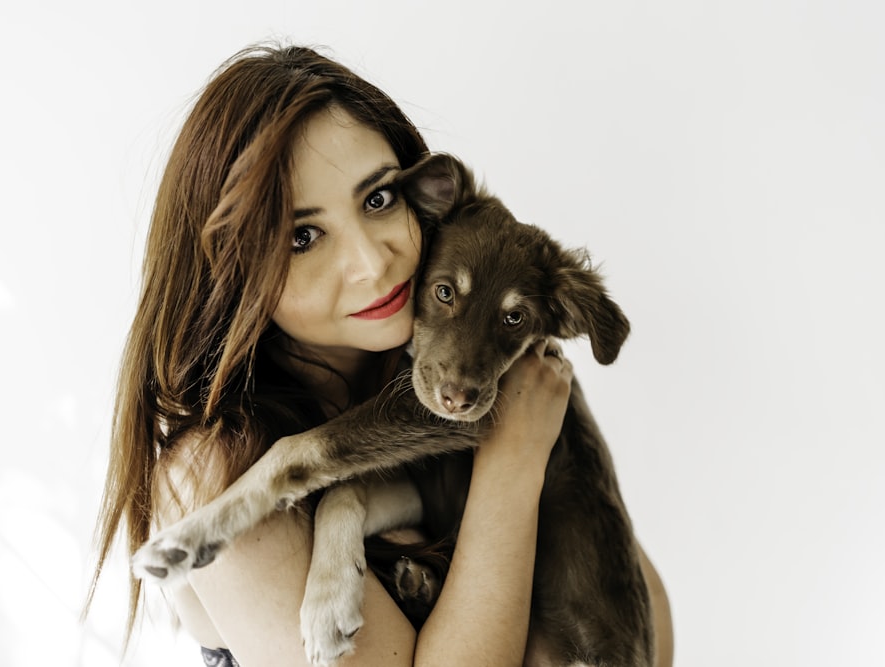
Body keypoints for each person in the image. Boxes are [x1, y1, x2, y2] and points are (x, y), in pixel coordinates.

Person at [85, 43, 673, 666]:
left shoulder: (436, 381)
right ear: (233, 274)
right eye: (303, 236)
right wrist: (512, 464)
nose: (371, 263)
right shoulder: (214, 471)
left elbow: (649, 623)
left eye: (377, 201)